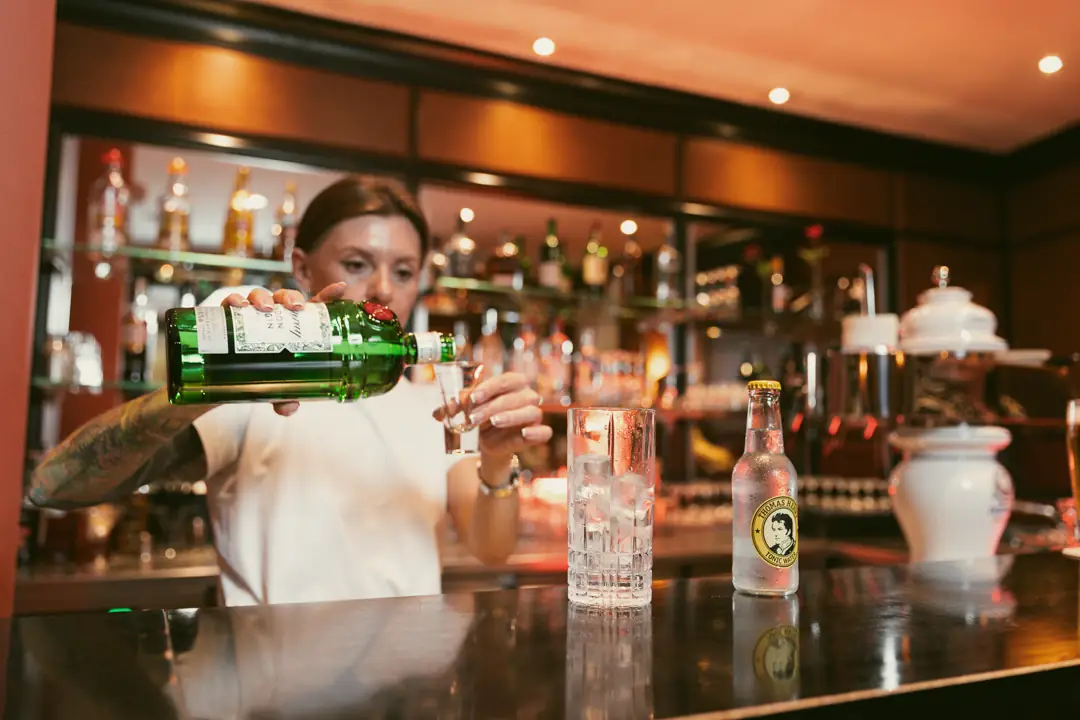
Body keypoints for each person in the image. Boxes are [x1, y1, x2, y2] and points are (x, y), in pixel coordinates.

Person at [28, 176, 553, 606]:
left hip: (408, 693)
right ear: (302, 267)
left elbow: (491, 547)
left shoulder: (429, 404)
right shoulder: (264, 387)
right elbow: (54, 487)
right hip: (274, 692)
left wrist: (495, 460)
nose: (384, 289)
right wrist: (216, 383)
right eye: (356, 263)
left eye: (404, 271)